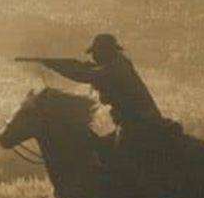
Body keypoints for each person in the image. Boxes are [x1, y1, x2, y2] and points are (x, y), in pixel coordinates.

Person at [35, 34, 183, 186]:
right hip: (136, 122)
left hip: (138, 124)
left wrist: (55, 65)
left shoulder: (115, 68)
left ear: (105, 52)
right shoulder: (117, 64)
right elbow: (86, 68)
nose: (94, 57)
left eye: (96, 53)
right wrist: (60, 64)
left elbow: (85, 74)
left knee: (119, 160)